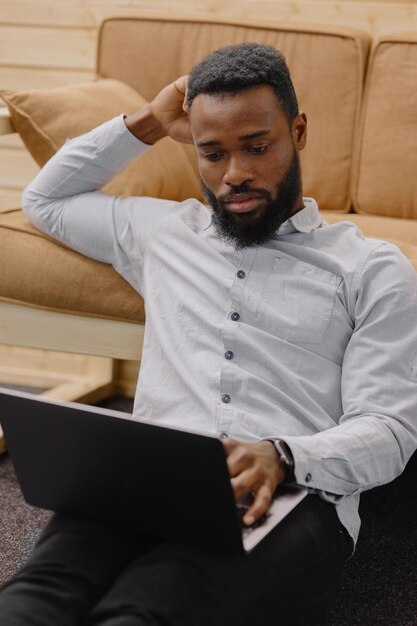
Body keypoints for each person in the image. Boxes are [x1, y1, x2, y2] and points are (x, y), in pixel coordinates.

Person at [1, 42, 416, 626]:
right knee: (34, 597)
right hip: (146, 477)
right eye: (212, 153)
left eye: (256, 147)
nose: (235, 175)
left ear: (298, 131)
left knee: (147, 606)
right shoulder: (164, 232)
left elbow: (391, 431)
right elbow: (45, 199)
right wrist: (146, 121)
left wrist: (282, 456)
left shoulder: (371, 269)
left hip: (290, 495)